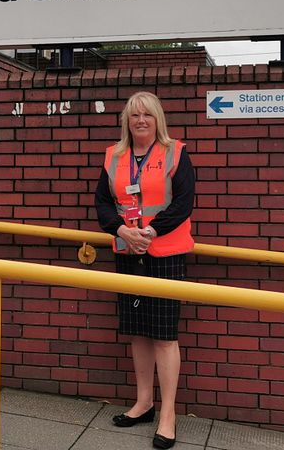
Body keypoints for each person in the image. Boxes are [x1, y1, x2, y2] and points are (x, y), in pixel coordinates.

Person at [95, 91, 195, 450]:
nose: (140, 121)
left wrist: (150, 232)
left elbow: (184, 203)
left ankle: (168, 413)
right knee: (137, 332)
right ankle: (144, 402)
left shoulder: (175, 152)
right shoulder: (114, 156)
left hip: (164, 252)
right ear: (126, 121)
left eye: (147, 115)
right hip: (128, 251)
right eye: (134, 115)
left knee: (164, 335)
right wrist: (122, 231)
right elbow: (103, 203)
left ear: (157, 120)